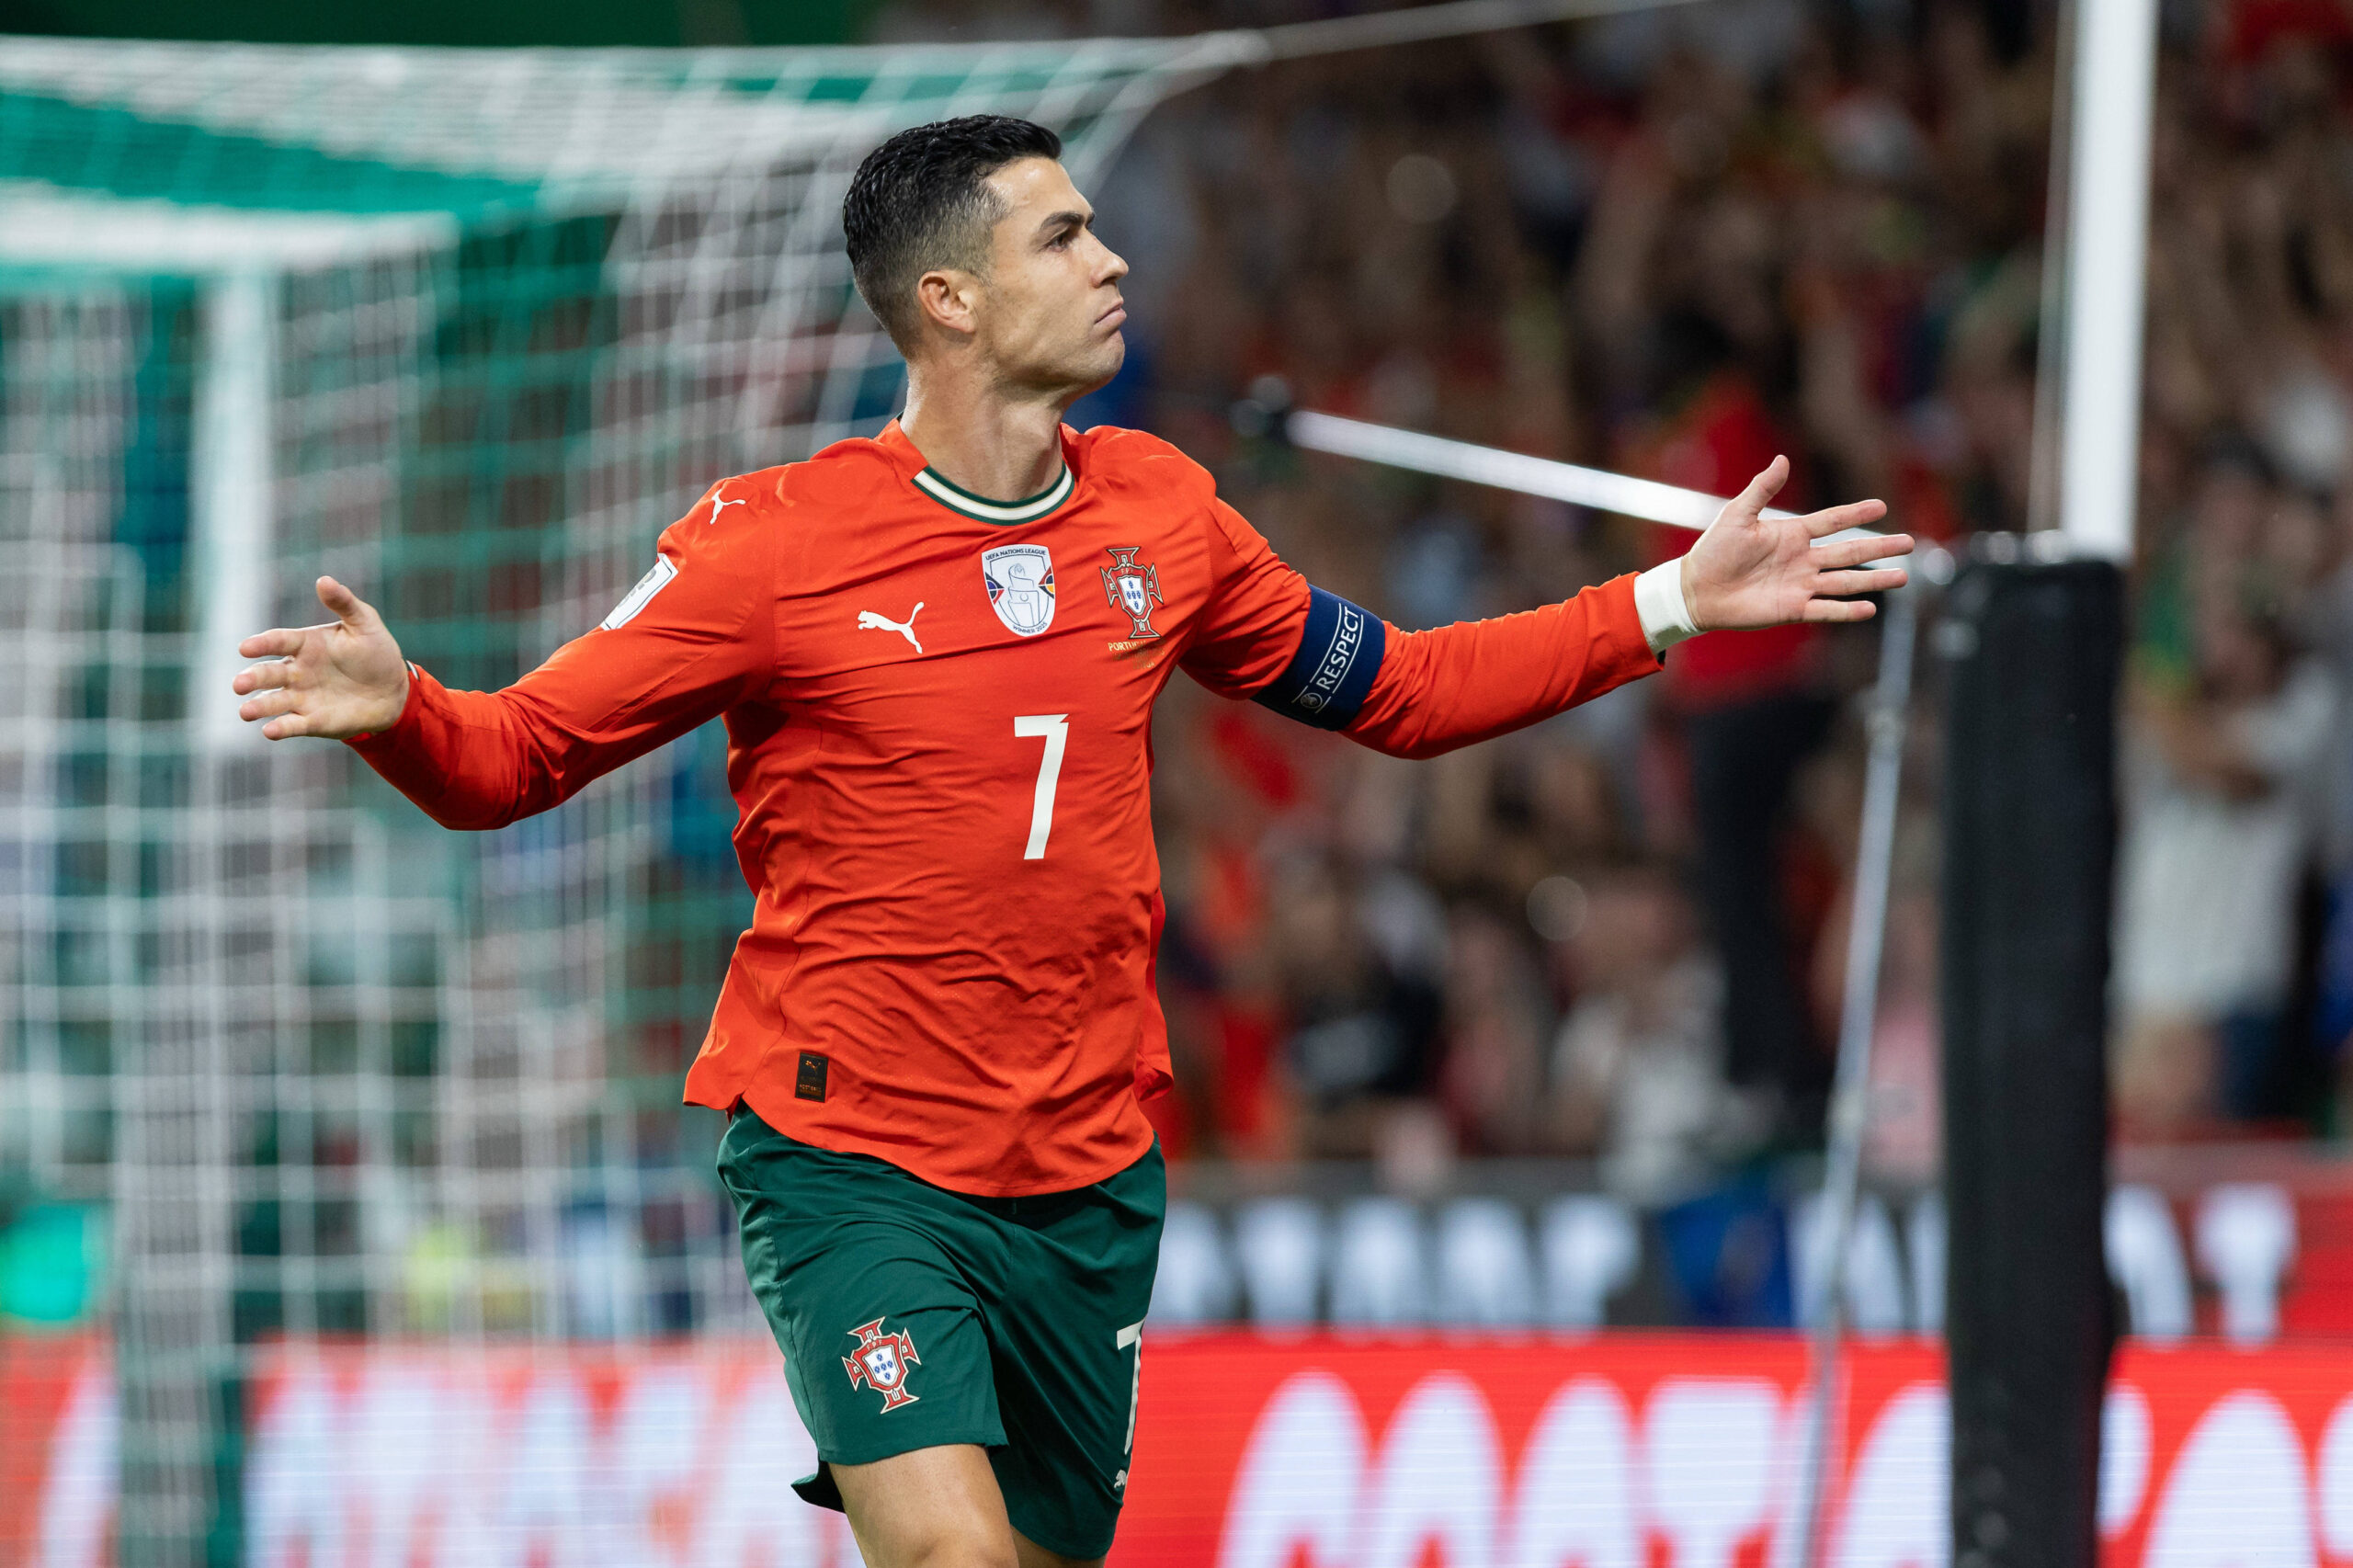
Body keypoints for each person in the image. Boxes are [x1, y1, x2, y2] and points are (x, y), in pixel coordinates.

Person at [230, 116, 1906, 1568]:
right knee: (952, 1550)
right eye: (1062, 236)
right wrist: (401, 711)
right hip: (853, 1158)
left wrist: (1670, 600)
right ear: (948, 299)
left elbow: (1399, 689)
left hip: (1084, 1172)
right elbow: (514, 757)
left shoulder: (1163, 514)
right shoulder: (771, 545)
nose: (1111, 261)